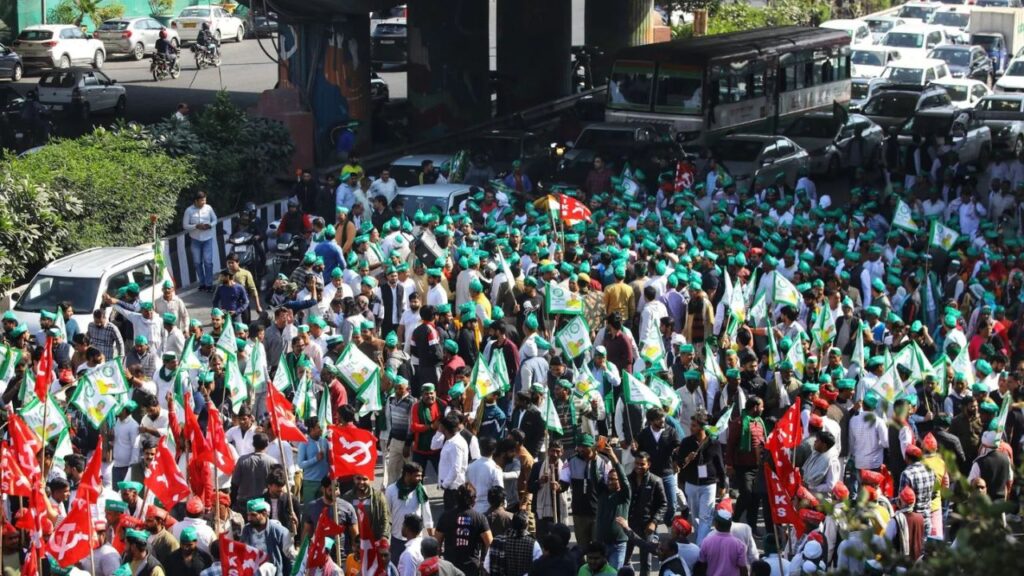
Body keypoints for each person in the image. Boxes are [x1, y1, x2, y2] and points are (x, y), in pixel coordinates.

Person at [436, 484, 492, 576]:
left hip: (450, 566)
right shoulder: (480, 518)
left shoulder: (445, 517)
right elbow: (490, 543)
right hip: (471, 567)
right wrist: (484, 563)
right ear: (473, 499)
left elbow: (436, 542)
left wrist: (438, 565)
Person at [241, 499, 293, 576]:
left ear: (264, 513)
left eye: (253, 515)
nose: (249, 519)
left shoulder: (280, 532)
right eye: (248, 515)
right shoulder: (246, 530)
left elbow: (290, 557)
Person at [695, 510, 749, 576]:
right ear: (730, 525)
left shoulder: (706, 542)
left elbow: (702, 564)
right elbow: (743, 568)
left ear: (716, 524)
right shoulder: (739, 545)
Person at [183, 191, 218, 292]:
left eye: (205, 200)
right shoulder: (189, 211)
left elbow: (215, 219)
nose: (204, 202)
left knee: (208, 262)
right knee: (197, 263)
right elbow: (185, 225)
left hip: (207, 238)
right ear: (196, 201)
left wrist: (210, 225)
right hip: (195, 240)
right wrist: (196, 226)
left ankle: (209, 284)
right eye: (202, 200)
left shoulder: (208, 208)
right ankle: (202, 283)